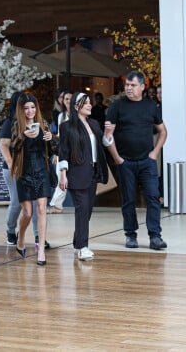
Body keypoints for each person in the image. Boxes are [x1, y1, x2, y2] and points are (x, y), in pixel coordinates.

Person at [104, 70, 168, 250]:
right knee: (128, 200)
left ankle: (155, 236)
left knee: (153, 198)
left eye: (133, 85)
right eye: (127, 85)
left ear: (142, 86)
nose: (129, 88)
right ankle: (130, 235)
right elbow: (108, 136)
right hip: (125, 162)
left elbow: (163, 131)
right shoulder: (116, 107)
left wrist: (155, 153)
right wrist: (117, 158)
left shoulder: (150, 106)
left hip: (147, 161)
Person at [58, 93, 109, 261]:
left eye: (89, 102)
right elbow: (63, 152)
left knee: (88, 210)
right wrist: (63, 175)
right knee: (82, 208)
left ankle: (77, 240)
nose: (89, 105)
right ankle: (82, 247)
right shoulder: (66, 127)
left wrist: (108, 133)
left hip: (93, 172)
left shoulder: (94, 124)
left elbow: (104, 143)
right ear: (76, 107)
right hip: (76, 173)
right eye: (85, 103)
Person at [10, 93, 54, 266]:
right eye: (26, 108)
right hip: (24, 172)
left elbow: (54, 149)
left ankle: (41, 250)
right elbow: (13, 147)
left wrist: (52, 139)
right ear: (21, 110)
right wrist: (23, 136)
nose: (30, 111)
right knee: (27, 213)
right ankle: (20, 238)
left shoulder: (43, 124)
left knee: (42, 209)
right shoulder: (17, 125)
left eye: (33, 107)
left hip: (42, 170)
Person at [0, 91, 46, 248]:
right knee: (17, 203)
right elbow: (4, 146)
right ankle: (11, 231)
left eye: (31, 105)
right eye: (24, 104)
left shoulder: (37, 122)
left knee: (35, 203)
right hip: (13, 168)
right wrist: (12, 164)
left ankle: (39, 236)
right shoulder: (10, 124)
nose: (29, 109)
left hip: (31, 167)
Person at [48, 91, 72, 214]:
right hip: (63, 150)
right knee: (60, 177)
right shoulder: (61, 116)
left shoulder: (79, 115)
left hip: (76, 152)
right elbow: (59, 136)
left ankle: (57, 205)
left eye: (70, 98)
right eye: (65, 99)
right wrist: (56, 153)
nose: (67, 101)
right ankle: (57, 205)